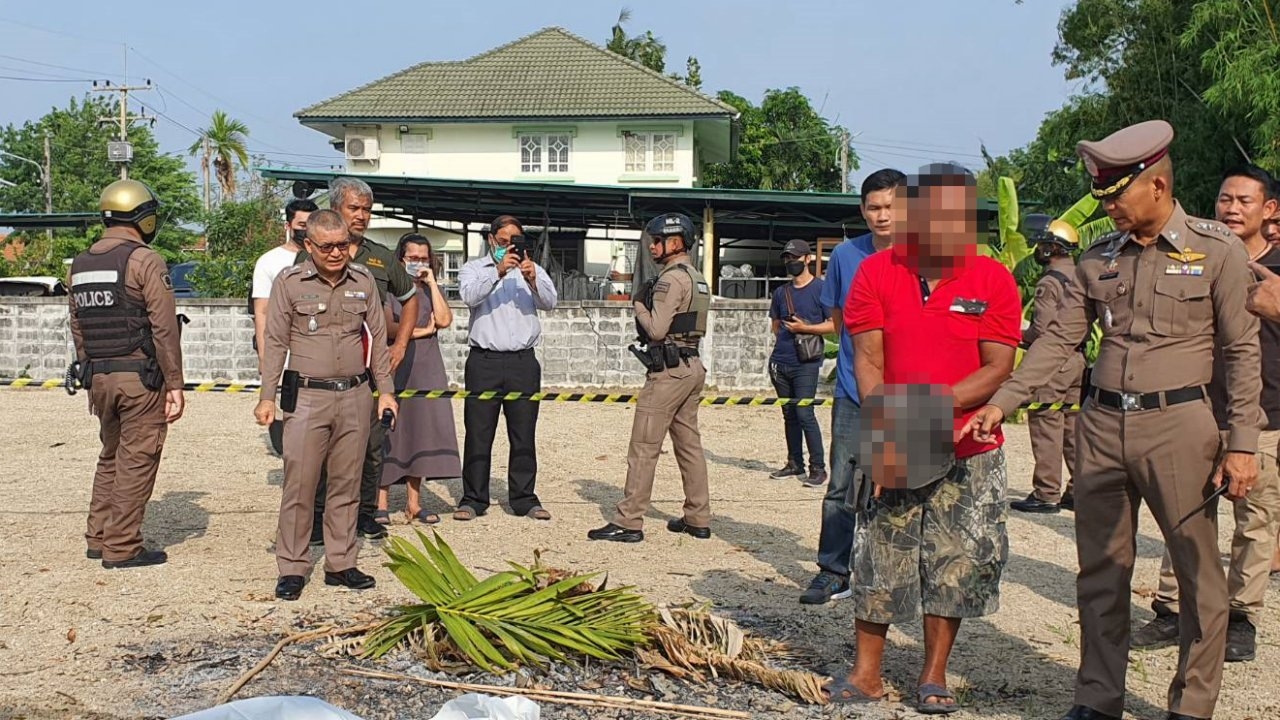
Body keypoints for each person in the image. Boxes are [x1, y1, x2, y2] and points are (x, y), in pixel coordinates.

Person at [963, 120, 1263, 720]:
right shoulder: (1097, 259)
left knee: (1198, 575)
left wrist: (1243, 443)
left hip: (1180, 426)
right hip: (1099, 427)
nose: (1106, 208)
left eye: (1115, 195)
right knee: (1101, 571)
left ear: (1155, 185)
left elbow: (1241, 351)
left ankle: (1191, 706)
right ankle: (1098, 698)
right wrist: (1006, 399)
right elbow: (1056, 342)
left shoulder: (1217, 251)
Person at [828, 162, 1020, 714]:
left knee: (955, 562)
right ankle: (866, 673)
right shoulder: (875, 274)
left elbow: (996, 367)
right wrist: (894, 421)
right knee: (878, 553)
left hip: (968, 447)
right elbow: (868, 359)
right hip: (896, 432)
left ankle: (933, 675)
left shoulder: (992, 280)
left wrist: (932, 410)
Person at [1129, 165, 1280, 663]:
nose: (1232, 209)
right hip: (1191, 409)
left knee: (1254, 521)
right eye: (1223, 199)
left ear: (1269, 210)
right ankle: (1173, 610)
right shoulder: (1199, 256)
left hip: (1264, 417)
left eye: (1244, 200)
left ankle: (1240, 617)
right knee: (1185, 514)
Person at [255, 209, 397, 601]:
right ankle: (293, 567)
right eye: (327, 246)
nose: (337, 253)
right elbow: (276, 342)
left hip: (354, 394)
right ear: (308, 245)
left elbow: (378, 341)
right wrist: (267, 395)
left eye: (343, 245)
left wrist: (386, 391)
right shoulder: (290, 282)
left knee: (347, 484)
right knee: (299, 485)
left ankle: (341, 563)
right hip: (307, 397)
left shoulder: (364, 280)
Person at [799, 168, 906, 605]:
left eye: (890, 207)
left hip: (910, 396)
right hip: (852, 392)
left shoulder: (927, 258)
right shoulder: (845, 256)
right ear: (862, 211)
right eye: (873, 208)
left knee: (903, 485)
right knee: (842, 484)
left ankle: (891, 574)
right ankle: (832, 570)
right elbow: (842, 325)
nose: (882, 216)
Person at [69, 179, 185, 569]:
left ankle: (98, 537)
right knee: (138, 458)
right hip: (140, 378)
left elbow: (78, 327)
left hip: (99, 376)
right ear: (142, 216)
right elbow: (164, 327)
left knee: (111, 456)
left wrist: (89, 375)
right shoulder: (144, 259)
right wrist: (175, 383)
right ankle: (122, 547)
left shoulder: (81, 263)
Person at [302, 177, 419, 542]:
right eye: (354, 208)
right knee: (320, 446)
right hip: (321, 368)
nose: (362, 216)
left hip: (369, 372)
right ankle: (319, 516)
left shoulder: (379, 257)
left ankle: (366, 513)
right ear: (336, 208)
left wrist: (399, 345)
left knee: (370, 445)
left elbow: (411, 298)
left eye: (367, 209)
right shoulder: (308, 254)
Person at [588, 213, 712, 543]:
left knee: (644, 447)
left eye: (657, 241)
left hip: (669, 370)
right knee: (689, 446)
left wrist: (638, 304)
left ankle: (629, 522)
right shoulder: (697, 278)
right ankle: (697, 517)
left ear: (675, 242)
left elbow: (656, 328)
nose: (652, 247)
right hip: (692, 365)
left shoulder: (670, 279)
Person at [456, 215, 557, 521]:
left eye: (515, 240)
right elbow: (468, 297)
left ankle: (524, 498)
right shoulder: (474, 268)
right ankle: (474, 498)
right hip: (483, 361)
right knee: (478, 432)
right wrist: (498, 272)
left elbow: (550, 303)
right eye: (503, 241)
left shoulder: (533, 269)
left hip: (523, 362)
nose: (510, 246)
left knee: (523, 433)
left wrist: (532, 279)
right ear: (491, 241)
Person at [377, 233, 461, 525]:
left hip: (427, 366)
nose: (419, 263)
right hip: (396, 363)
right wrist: (424, 331)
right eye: (413, 258)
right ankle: (381, 502)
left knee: (421, 430)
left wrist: (433, 284)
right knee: (389, 429)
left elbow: (445, 320)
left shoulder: (427, 289)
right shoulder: (388, 290)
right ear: (400, 258)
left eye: (424, 258)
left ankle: (414, 502)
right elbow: (388, 329)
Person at [1011, 215, 1086, 514]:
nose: (1038, 249)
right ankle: (1077, 490)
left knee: (1045, 425)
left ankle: (1046, 493)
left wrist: (1018, 334)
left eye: (1043, 244)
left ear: (1054, 247)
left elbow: (1042, 330)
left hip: (1053, 363)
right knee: (1072, 426)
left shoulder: (1049, 283)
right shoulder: (1079, 276)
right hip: (1078, 360)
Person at [252, 198, 316, 454]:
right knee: (290, 427)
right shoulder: (269, 262)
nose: (306, 230)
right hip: (286, 357)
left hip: (319, 357)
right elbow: (263, 312)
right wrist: (265, 358)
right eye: (302, 225)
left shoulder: (328, 258)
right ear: (289, 225)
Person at [766, 239, 832, 485]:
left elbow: (835, 324)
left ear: (808, 259)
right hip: (780, 361)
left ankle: (818, 468)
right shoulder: (781, 292)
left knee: (805, 413)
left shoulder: (822, 290)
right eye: (787, 258)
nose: (791, 262)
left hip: (806, 363)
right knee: (789, 414)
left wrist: (806, 328)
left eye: (795, 257)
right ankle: (795, 463)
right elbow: (775, 326)